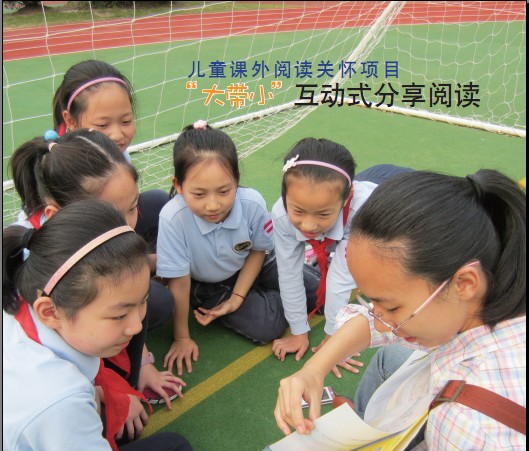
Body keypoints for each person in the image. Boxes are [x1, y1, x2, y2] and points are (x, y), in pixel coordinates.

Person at [249, 169, 526, 451]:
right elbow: (375, 320)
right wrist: (313, 369)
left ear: (465, 283)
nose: (379, 318)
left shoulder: (466, 423)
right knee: (393, 356)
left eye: (391, 307)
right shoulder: (495, 290)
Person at [3, 199, 244, 451]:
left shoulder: (25, 297)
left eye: (142, 301)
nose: (135, 326)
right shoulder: (57, 399)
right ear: (50, 312)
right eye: (119, 315)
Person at [9, 129, 183, 441]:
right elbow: (65, 357)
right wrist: (114, 394)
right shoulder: (37, 281)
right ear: (57, 214)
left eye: (132, 206)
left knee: (152, 302)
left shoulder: (90, 240)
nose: (128, 226)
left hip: (86, 335)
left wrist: (142, 363)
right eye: (112, 215)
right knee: (142, 439)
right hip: (60, 382)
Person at [157, 121, 311, 375]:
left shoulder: (252, 203)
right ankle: (281, 293)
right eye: (199, 194)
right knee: (267, 326)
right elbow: (180, 283)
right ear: (178, 185)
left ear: (237, 180)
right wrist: (182, 337)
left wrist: (237, 298)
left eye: (224, 191)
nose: (213, 205)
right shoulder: (172, 218)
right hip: (209, 284)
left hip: (253, 262)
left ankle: (285, 286)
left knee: (314, 290)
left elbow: (258, 250)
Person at [52, 58, 174, 331]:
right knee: (160, 303)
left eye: (126, 121)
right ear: (70, 120)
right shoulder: (67, 173)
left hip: (104, 236)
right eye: (103, 125)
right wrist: (148, 263)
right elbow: (87, 257)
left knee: (158, 202)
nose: (118, 134)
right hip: (77, 265)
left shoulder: (108, 150)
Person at [270, 138, 394, 376]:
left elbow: (340, 282)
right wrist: (298, 331)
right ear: (284, 196)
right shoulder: (281, 214)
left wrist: (333, 341)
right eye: (298, 210)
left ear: (346, 199)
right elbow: (288, 273)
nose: (308, 224)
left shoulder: (362, 212)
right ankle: (325, 235)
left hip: (394, 191)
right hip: (355, 188)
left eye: (322, 214)